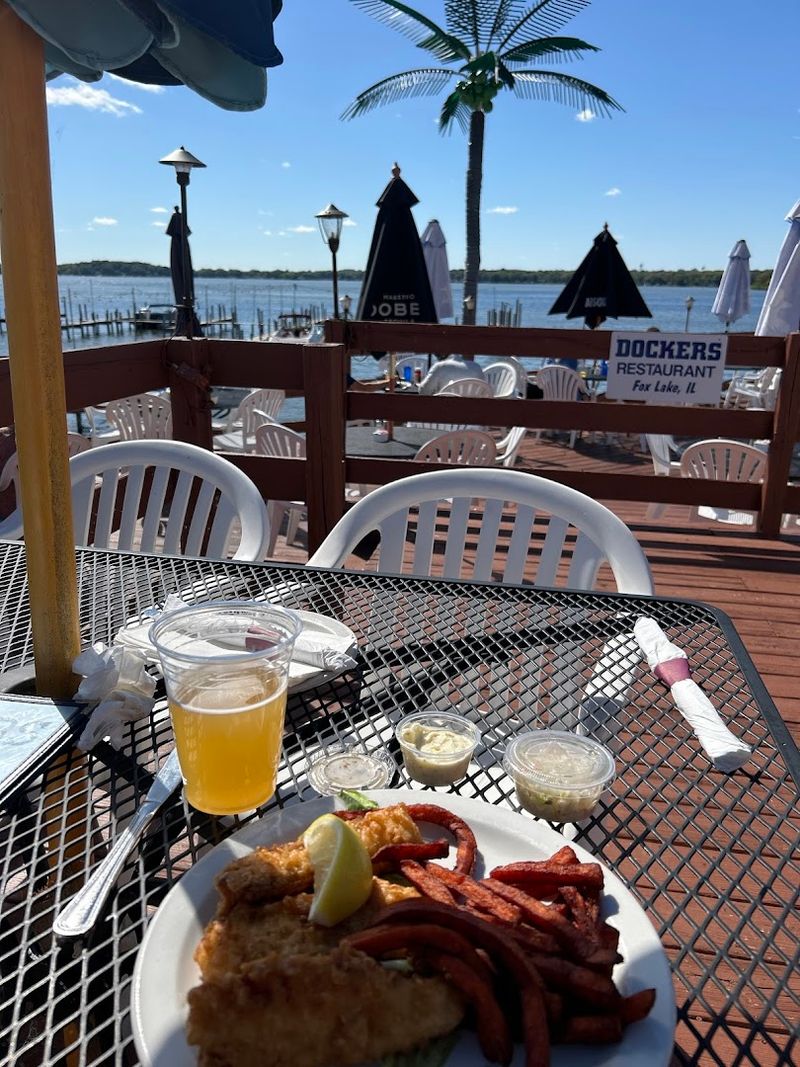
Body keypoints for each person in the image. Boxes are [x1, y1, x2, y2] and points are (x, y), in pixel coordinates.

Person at [417, 354, 486, 395]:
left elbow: (423, 392)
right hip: (470, 415)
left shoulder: (440, 366)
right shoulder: (477, 367)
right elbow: (485, 393)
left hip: (441, 414)